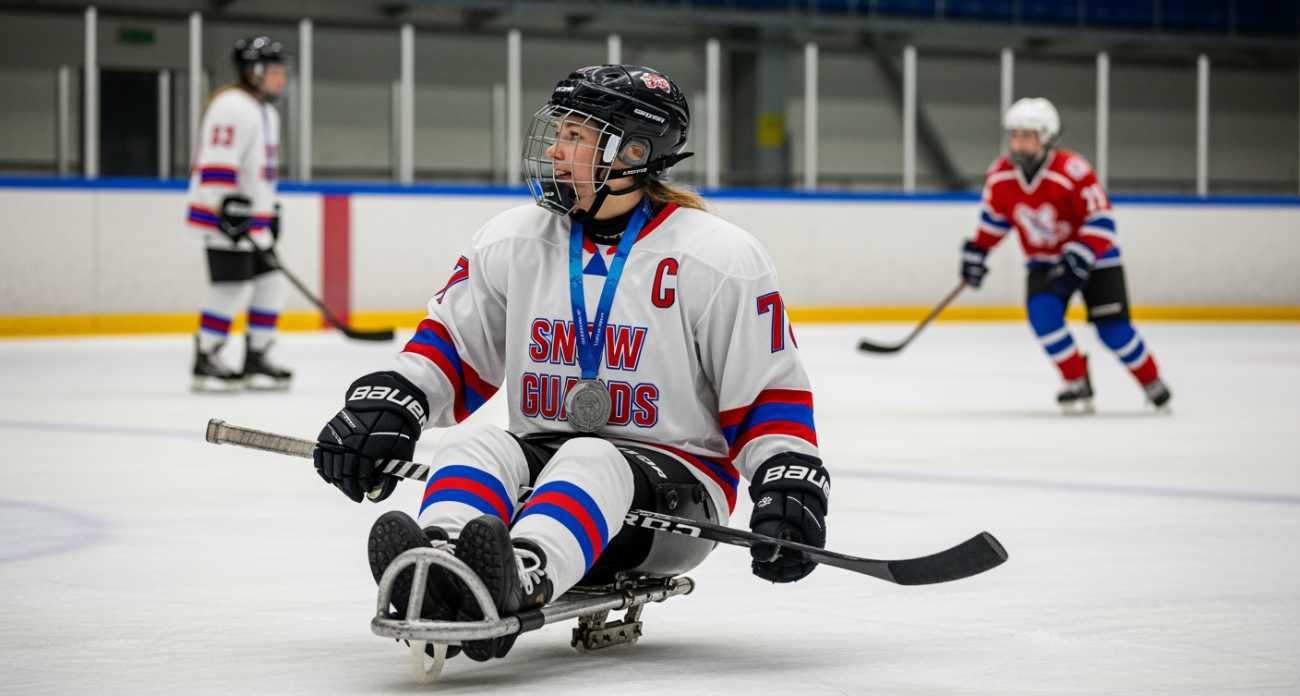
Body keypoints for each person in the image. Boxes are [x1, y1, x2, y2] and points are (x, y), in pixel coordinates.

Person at [314, 66, 830, 663]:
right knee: (477, 448)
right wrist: (389, 405)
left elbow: (766, 393)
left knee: (591, 457)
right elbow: (451, 347)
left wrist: (788, 478)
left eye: (576, 138)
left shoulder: (716, 256)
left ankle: (521, 573)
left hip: (673, 490)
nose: (555, 150)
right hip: (547, 466)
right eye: (558, 132)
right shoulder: (513, 239)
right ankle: (442, 564)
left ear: (634, 151)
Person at [961, 98, 1172, 414]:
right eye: (1014, 135)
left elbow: (1103, 218)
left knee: (1114, 332)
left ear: (1046, 139)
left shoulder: (1071, 170)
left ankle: (1150, 380)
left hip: (1097, 259)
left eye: (1027, 136)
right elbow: (997, 219)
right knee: (1043, 317)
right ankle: (1076, 380)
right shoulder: (1000, 175)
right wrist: (978, 251)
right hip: (1044, 262)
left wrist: (1081, 252)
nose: (1018, 143)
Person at [187, 37, 292, 392]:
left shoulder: (265, 111)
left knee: (272, 283)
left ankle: (257, 356)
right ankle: (206, 355)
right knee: (230, 287)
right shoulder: (231, 104)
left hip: (252, 220)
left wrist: (268, 211)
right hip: (225, 218)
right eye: (275, 71)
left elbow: (258, 171)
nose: (282, 78)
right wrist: (225, 204)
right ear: (253, 71)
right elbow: (218, 160)